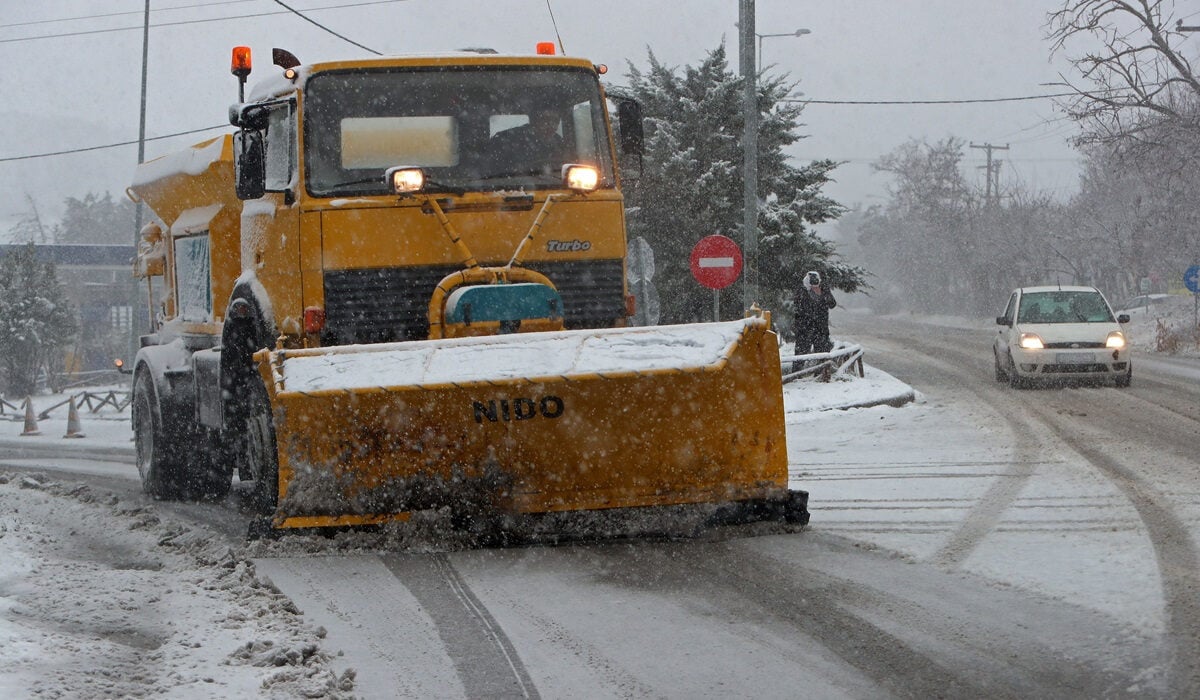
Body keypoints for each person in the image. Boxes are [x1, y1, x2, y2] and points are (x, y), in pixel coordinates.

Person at [489, 108, 569, 174]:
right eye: (546, 120)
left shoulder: (559, 142)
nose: (551, 125)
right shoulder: (510, 139)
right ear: (534, 121)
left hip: (554, 185)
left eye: (555, 121)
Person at [792, 270, 837, 368]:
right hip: (804, 329)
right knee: (800, 356)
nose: (814, 283)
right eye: (811, 281)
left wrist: (822, 294)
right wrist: (808, 291)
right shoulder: (802, 290)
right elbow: (798, 307)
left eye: (816, 281)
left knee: (823, 356)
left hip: (821, 329)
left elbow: (832, 304)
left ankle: (822, 376)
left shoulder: (824, 289)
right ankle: (795, 376)